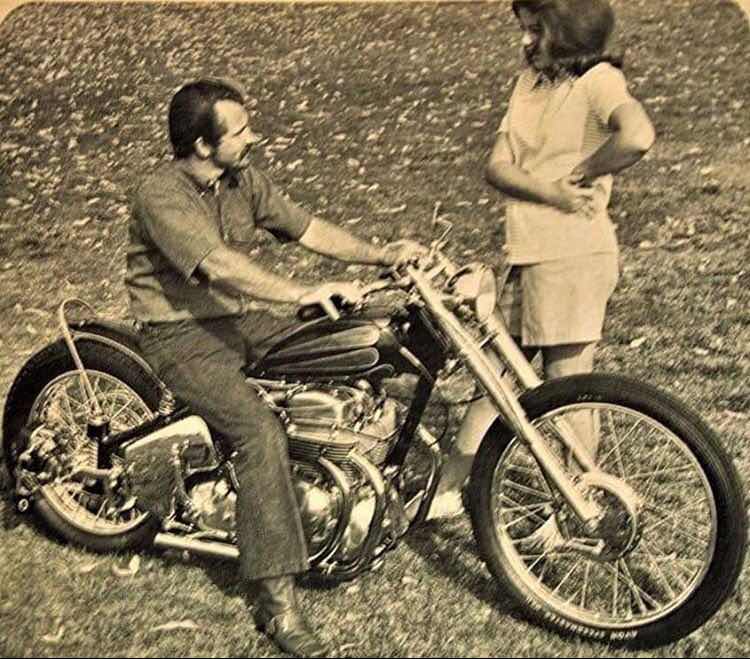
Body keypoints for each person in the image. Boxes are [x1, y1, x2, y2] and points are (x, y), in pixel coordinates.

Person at [126, 78, 423, 657]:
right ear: (203, 145)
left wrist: (382, 255)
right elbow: (218, 266)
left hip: (242, 323)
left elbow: (306, 227)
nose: (253, 137)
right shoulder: (161, 194)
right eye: (239, 130)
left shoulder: (242, 179)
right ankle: (276, 603)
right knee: (260, 435)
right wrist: (300, 293)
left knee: (356, 348)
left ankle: (348, 491)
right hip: (180, 337)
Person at [429, 0, 655, 519]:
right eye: (525, 29)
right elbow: (497, 167)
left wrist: (584, 171)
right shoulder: (530, 82)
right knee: (493, 371)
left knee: (567, 385)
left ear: (568, 30)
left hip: (572, 254)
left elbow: (638, 135)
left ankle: (578, 502)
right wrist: (552, 191)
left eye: (536, 30)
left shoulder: (597, 81)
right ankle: (449, 488)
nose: (525, 41)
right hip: (528, 252)